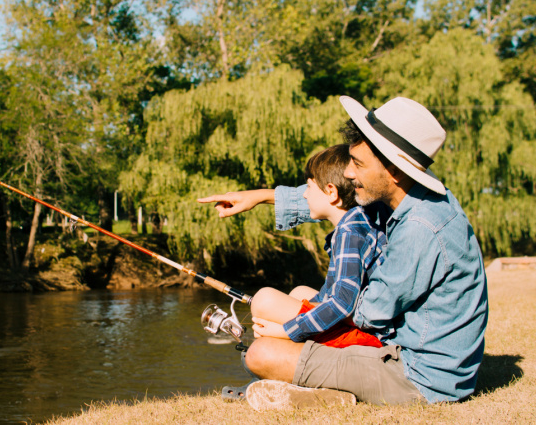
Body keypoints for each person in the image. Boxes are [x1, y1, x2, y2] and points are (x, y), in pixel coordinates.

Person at [198, 96, 489, 408]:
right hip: (400, 342)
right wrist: (258, 196)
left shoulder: (421, 228)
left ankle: (329, 396)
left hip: (418, 375)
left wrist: (290, 327)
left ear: (394, 170)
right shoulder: (411, 198)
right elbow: (337, 202)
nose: (349, 174)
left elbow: (366, 313)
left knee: (261, 353)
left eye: (358, 165)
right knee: (298, 294)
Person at [250, 144, 384, 351]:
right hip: (361, 327)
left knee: (263, 300)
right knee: (298, 292)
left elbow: (342, 303)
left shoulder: (349, 234)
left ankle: (287, 357)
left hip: (366, 340)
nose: (304, 196)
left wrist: (287, 330)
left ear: (331, 192)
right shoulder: (359, 221)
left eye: (309, 188)